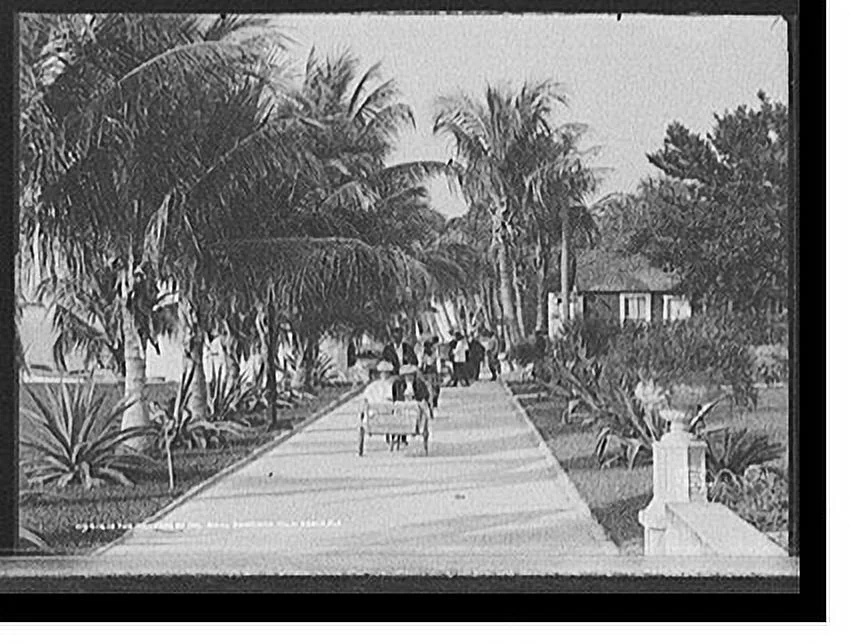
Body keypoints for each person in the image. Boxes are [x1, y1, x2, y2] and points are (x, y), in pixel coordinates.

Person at [362, 360, 397, 447]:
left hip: (386, 411)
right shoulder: (373, 386)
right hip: (375, 411)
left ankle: (390, 438)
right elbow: (366, 398)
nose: (384, 374)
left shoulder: (392, 385)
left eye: (386, 373)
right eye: (383, 373)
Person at [392, 364, 431, 443]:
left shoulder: (419, 384)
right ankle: (402, 434)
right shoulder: (398, 384)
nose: (409, 377)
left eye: (411, 375)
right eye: (407, 375)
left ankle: (415, 427)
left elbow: (424, 396)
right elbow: (396, 396)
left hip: (415, 406)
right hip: (403, 406)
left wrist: (420, 400)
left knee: (417, 410)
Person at [419, 337, 442, 414]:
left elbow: (437, 364)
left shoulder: (433, 354)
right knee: (431, 391)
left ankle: (433, 404)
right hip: (430, 375)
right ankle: (431, 405)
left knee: (435, 390)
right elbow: (422, 365)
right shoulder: (426, 355)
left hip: (432, 374)